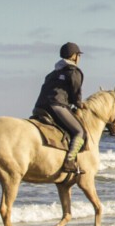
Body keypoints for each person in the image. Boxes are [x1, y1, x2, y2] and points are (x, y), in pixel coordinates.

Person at [32, 42, 86, 174]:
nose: (79, 58)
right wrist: (79, 104)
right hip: (57, 106)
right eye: (79, 55)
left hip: (40, 107)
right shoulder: (74, 71)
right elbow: (76, 92)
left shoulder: (52, 73)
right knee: (80, 132)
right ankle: (69, 161)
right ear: (74, 56)